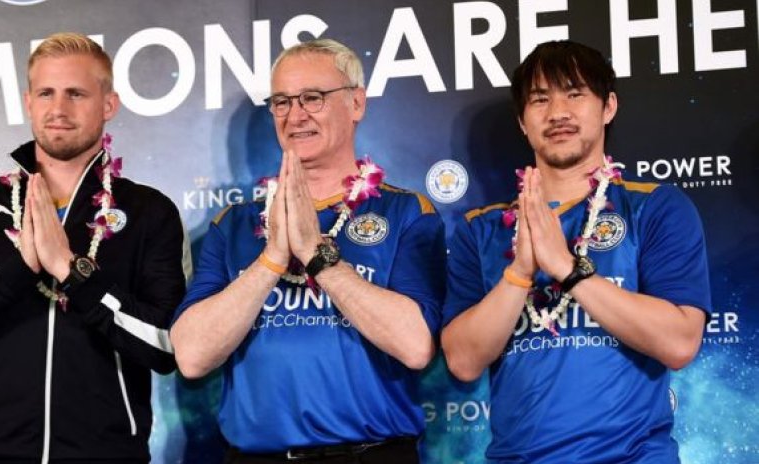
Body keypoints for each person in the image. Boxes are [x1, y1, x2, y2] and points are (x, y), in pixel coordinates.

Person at [0, 32, 185, 463]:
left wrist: (71, 271)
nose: (59, 109)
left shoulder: (149, 211)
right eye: (46, 93)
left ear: (109, 104)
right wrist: (18, 270)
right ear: (28, 101)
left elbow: (166, 347)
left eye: (76, 93)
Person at [169, 38, 446, 463]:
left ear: (356, 103)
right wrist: (271, 261)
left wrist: (318, 256)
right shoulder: (235, 224)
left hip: (370, 454)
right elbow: (190, 357)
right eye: (281, 102)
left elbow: (415, 346)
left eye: (313, 98)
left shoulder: (406, 211)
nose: (295, 116)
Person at [441, 40, 711, 463]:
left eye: (574, 93)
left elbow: (679, 342)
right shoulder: (483, 228)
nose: (557, 113)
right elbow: (462, 361)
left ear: (608, 107)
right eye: (540, 99)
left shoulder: (654, 206)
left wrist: (568, 268)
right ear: (522, 121)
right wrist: (520, 273)